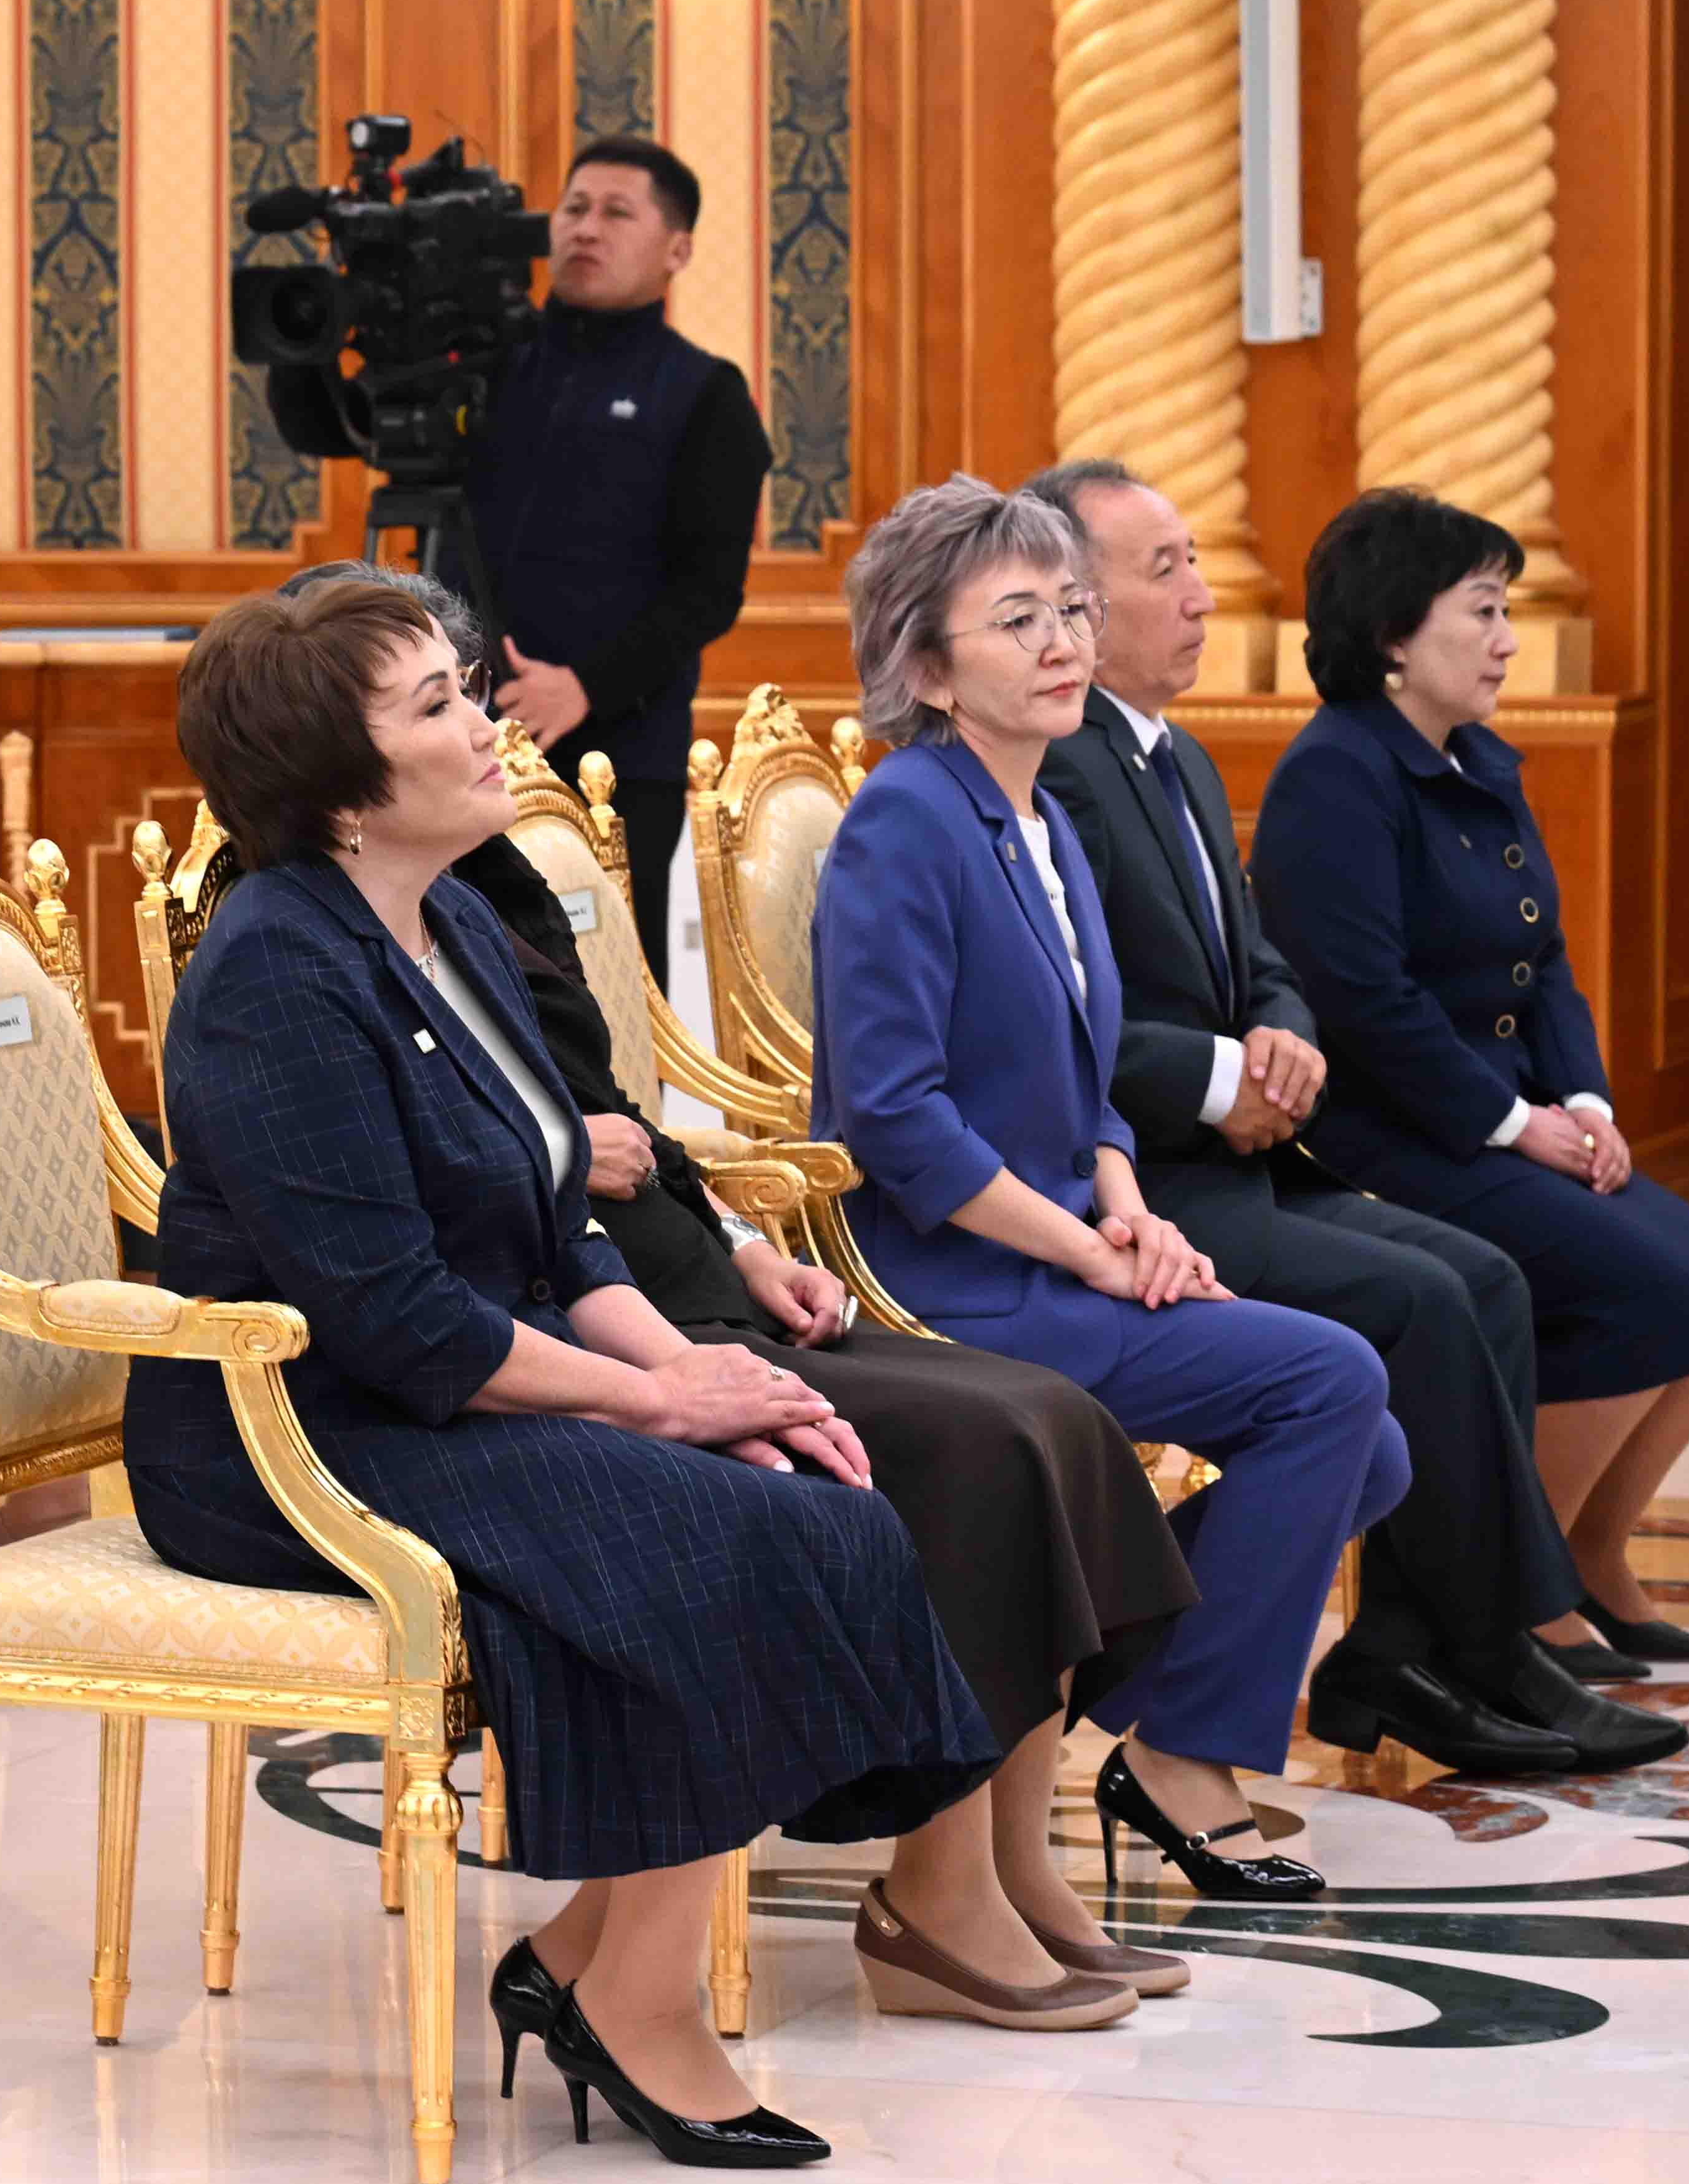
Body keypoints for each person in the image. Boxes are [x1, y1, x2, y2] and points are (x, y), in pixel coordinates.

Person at [132, 569, 1010, 2163]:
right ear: (337, 787)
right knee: (713, 1532)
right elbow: (396, 1318)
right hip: (293, 1425)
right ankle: (637, 2003)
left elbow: (559, 1227)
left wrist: (709, 1379)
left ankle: (591, 1957)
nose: (485, 723)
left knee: (801, 1489)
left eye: (465, 687)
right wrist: (663, 1402)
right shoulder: (272, 972)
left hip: (463, 1378)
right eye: (433, 705)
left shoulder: (453, 916)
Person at [440, 801, 1205, 2013]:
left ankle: (1014, 1866)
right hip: (586, 1322)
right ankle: (936, 1893)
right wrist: (552, 1154)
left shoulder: (485, 883)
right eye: (438, 709)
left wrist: (746, 1245)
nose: (486, 732)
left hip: (685, 1284)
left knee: (1050, 1413)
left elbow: (627, 1118)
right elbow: (435, 1166)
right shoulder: (326, 928)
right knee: (973, 1447)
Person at [1026, 463, 1678, 1775]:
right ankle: (1481, 1650)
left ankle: (1412, 1649)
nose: (1204, 598)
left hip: (1243, 1156)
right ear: (1074, 602)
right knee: (1425, 1298)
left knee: (1482, 1277)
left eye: (1197, 562)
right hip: (1144, 1184)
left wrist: (1281, 1040)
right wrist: (1227, 1079)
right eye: (1166, 570)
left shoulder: (1177, 756)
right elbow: (1059, 1015)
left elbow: (1263, 961)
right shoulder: (1059, 770)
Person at [815, 475, 1412, 1902]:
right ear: (926, 667)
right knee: (1331, 1387)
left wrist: (1125, 1201)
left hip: (1054, 1243)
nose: (1062, 642)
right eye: (1016, 618)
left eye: (1072, 609)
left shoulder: (1037, 822)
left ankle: (1074, 1673)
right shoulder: (905, 822)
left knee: (1370, 1448)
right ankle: (1182, 1753)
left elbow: (1085, 1084)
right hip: (949, 1278)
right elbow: (895, 1119)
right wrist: (1086, 1249)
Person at [1254, 487, 1689, 1668]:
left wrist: (1584, 1103)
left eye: (1507, 612)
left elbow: (1545, 965)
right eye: (1483, 612)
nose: (1507, 641)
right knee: (1652, 1291)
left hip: (1506, 1121)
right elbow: (1364, 1004)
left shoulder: (1478, 761)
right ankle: (1515, 1583)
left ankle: (1590, 1552)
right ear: (1394, 635)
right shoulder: (1336, 776)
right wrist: (1509, 1123)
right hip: (1398, 1136)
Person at [456, 135, 775, 976]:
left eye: (615, 212)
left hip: (618, 759)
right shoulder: (485, 370)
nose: (585, 228)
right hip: (458, 737)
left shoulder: (704, 394)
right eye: (573, 208)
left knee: (609, 992)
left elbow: (708, 592)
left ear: (676, 250)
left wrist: (585, 686)